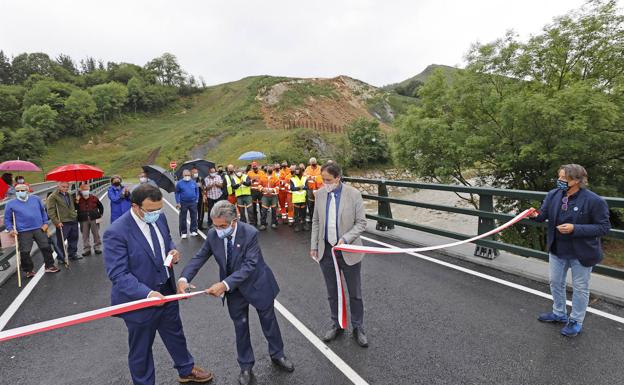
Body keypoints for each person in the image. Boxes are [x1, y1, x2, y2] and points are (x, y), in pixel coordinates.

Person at [103, 184, 214, 385]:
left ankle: (186, 369)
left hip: (166, 290)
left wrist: (172, 252)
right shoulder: (116, 232)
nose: (156, 213)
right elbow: (118, 274)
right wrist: (147, 294)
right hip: (140, 299)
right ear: (135, 206)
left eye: (159, 209)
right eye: (151, 210)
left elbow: (166, 241)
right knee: (141, 348)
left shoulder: (159, 217)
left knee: (175, 334)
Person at [177, 201, 294, 385]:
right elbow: (200, 257)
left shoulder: (250, 234)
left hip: (257, 285)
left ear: (234, 219)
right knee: (240, 327)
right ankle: (246, 366)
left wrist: (224, 284)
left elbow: (250, 265)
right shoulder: (214, 235)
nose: (218, 230)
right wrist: (184, 279)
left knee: (269, 322)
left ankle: (278, 354)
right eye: (215, 225)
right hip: (234, 291)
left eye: (222, 226)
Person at [530, 164, 611, 337]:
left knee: (580, 288)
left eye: (563, 179)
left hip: (581, 253)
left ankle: (576, 320)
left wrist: (575, 228)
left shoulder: (594, 201)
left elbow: (603, 227)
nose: (559, 181)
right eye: (558, 177)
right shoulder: (553, 195)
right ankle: (559, 313)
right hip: (557, 249)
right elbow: (542, 216)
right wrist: (533, 215)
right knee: (555, 282)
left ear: (576, 181)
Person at [310, 162, 368, 347]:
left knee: (355, 293)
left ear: (338, 178)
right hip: (327, 251)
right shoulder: (319, 194)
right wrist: (314, 246)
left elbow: (361, 223)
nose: (325, 183)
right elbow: (316, 222)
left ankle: (358, 327)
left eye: (328, 180)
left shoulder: (353, 194)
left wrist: (346, 238)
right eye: (323, 179)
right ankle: (338, 324)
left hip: (348, 250)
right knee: (332, 292)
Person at [4, 184, 59, 277]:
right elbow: (7, 219)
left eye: (22, 190)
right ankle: (28, 270)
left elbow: (43, 211)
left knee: (46, 247)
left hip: (39, 227)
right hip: (23, 230)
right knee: (25, 251)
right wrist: (10, 229)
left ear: (27, 190)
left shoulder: (36, 199)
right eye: (18, 191)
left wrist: (45, 223)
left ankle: (49, 266)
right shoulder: (10, 204)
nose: (20, 192)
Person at [47, 181, 81, 261]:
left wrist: (76, 201)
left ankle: (72, 254)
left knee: (74, 238)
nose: (65, 188)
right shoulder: (53, 196)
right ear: (58, 186)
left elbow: (71, 206)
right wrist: (56, 222)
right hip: (63, 221)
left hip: (73, 219)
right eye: (63, 186)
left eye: (67, 187)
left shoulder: (69, 194)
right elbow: (50, 211)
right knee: (61, 240)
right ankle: (61, 257)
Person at [77, 183, 104, 256]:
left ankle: (97, 247)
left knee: (96, 234)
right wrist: (76, 201)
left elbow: (100, 206)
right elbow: (74, 208)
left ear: (89, 190)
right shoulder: (78, 199)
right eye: (84, 189)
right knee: (85, 235)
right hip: (83, 219)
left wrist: (100, 214)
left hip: (94, 218)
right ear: (80, 190)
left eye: (87, 189)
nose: (85, 191)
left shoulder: (94, 198)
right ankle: (87, 249)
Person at [175, 169, 199, 238]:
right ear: (183, 175)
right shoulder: (179, 183)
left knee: (194, 217)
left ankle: (193, 230)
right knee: (183, 218)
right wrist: (178, 202)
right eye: (186, 175)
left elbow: (197, 191)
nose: (187, 176)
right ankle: (184, 232)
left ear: (190, 175)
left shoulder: (193, 182)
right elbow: (177, 193)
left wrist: (197, 199)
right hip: (183, 203)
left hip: (193, 202)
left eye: (188, 175)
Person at [259, 165, 280, 230]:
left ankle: (274, 223)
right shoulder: (262, 177)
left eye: (271, 168)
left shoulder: (275, 178)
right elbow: (259, 185)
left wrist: (272, 190)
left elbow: (278, 186)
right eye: (269, 168)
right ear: (267, 169)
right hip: (265, 196)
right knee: (264, 211)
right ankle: (263, 224)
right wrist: (263, 189)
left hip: (273, 196)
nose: (270, 169)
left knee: (274, 210)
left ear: (272, 170)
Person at [304, 158, 323, 224]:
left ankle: (318, 219)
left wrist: (315, 177)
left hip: (318, 189)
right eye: (311, 164)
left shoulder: (320, 168)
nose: (313, 165)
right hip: (310, 189)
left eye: (314, 164)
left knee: (318, 204)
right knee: (310, 204)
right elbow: (304, 175)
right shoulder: (308, 168)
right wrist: (308, 176)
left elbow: (322, 176)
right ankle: (311, 218)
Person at [247, 162, 266, 227]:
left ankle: (263, 222)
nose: (254, 167)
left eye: (255, 166)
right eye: (253, 167)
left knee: (262, 208)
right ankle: (255, 222)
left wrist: (259, 180)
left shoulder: (262, 172)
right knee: (254, 208)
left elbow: (264, 181)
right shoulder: (249, 173)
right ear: (252, 167)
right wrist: (252, 180)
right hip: (253, 192)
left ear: (257, 166)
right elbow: (247, 182)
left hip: (260, 191)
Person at [290, 166, 308, 232]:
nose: (297, 171)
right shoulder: (292, 179)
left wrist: (302, 187)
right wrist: (299, 187)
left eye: (298, 170)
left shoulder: (305, 178)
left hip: (303, 198)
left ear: (300, 171)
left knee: (303, 213)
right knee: (296, 214)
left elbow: (307, 187)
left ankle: (303, 225)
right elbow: (291, 188)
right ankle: (296, 226)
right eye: (296, 170)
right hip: (296, 199)